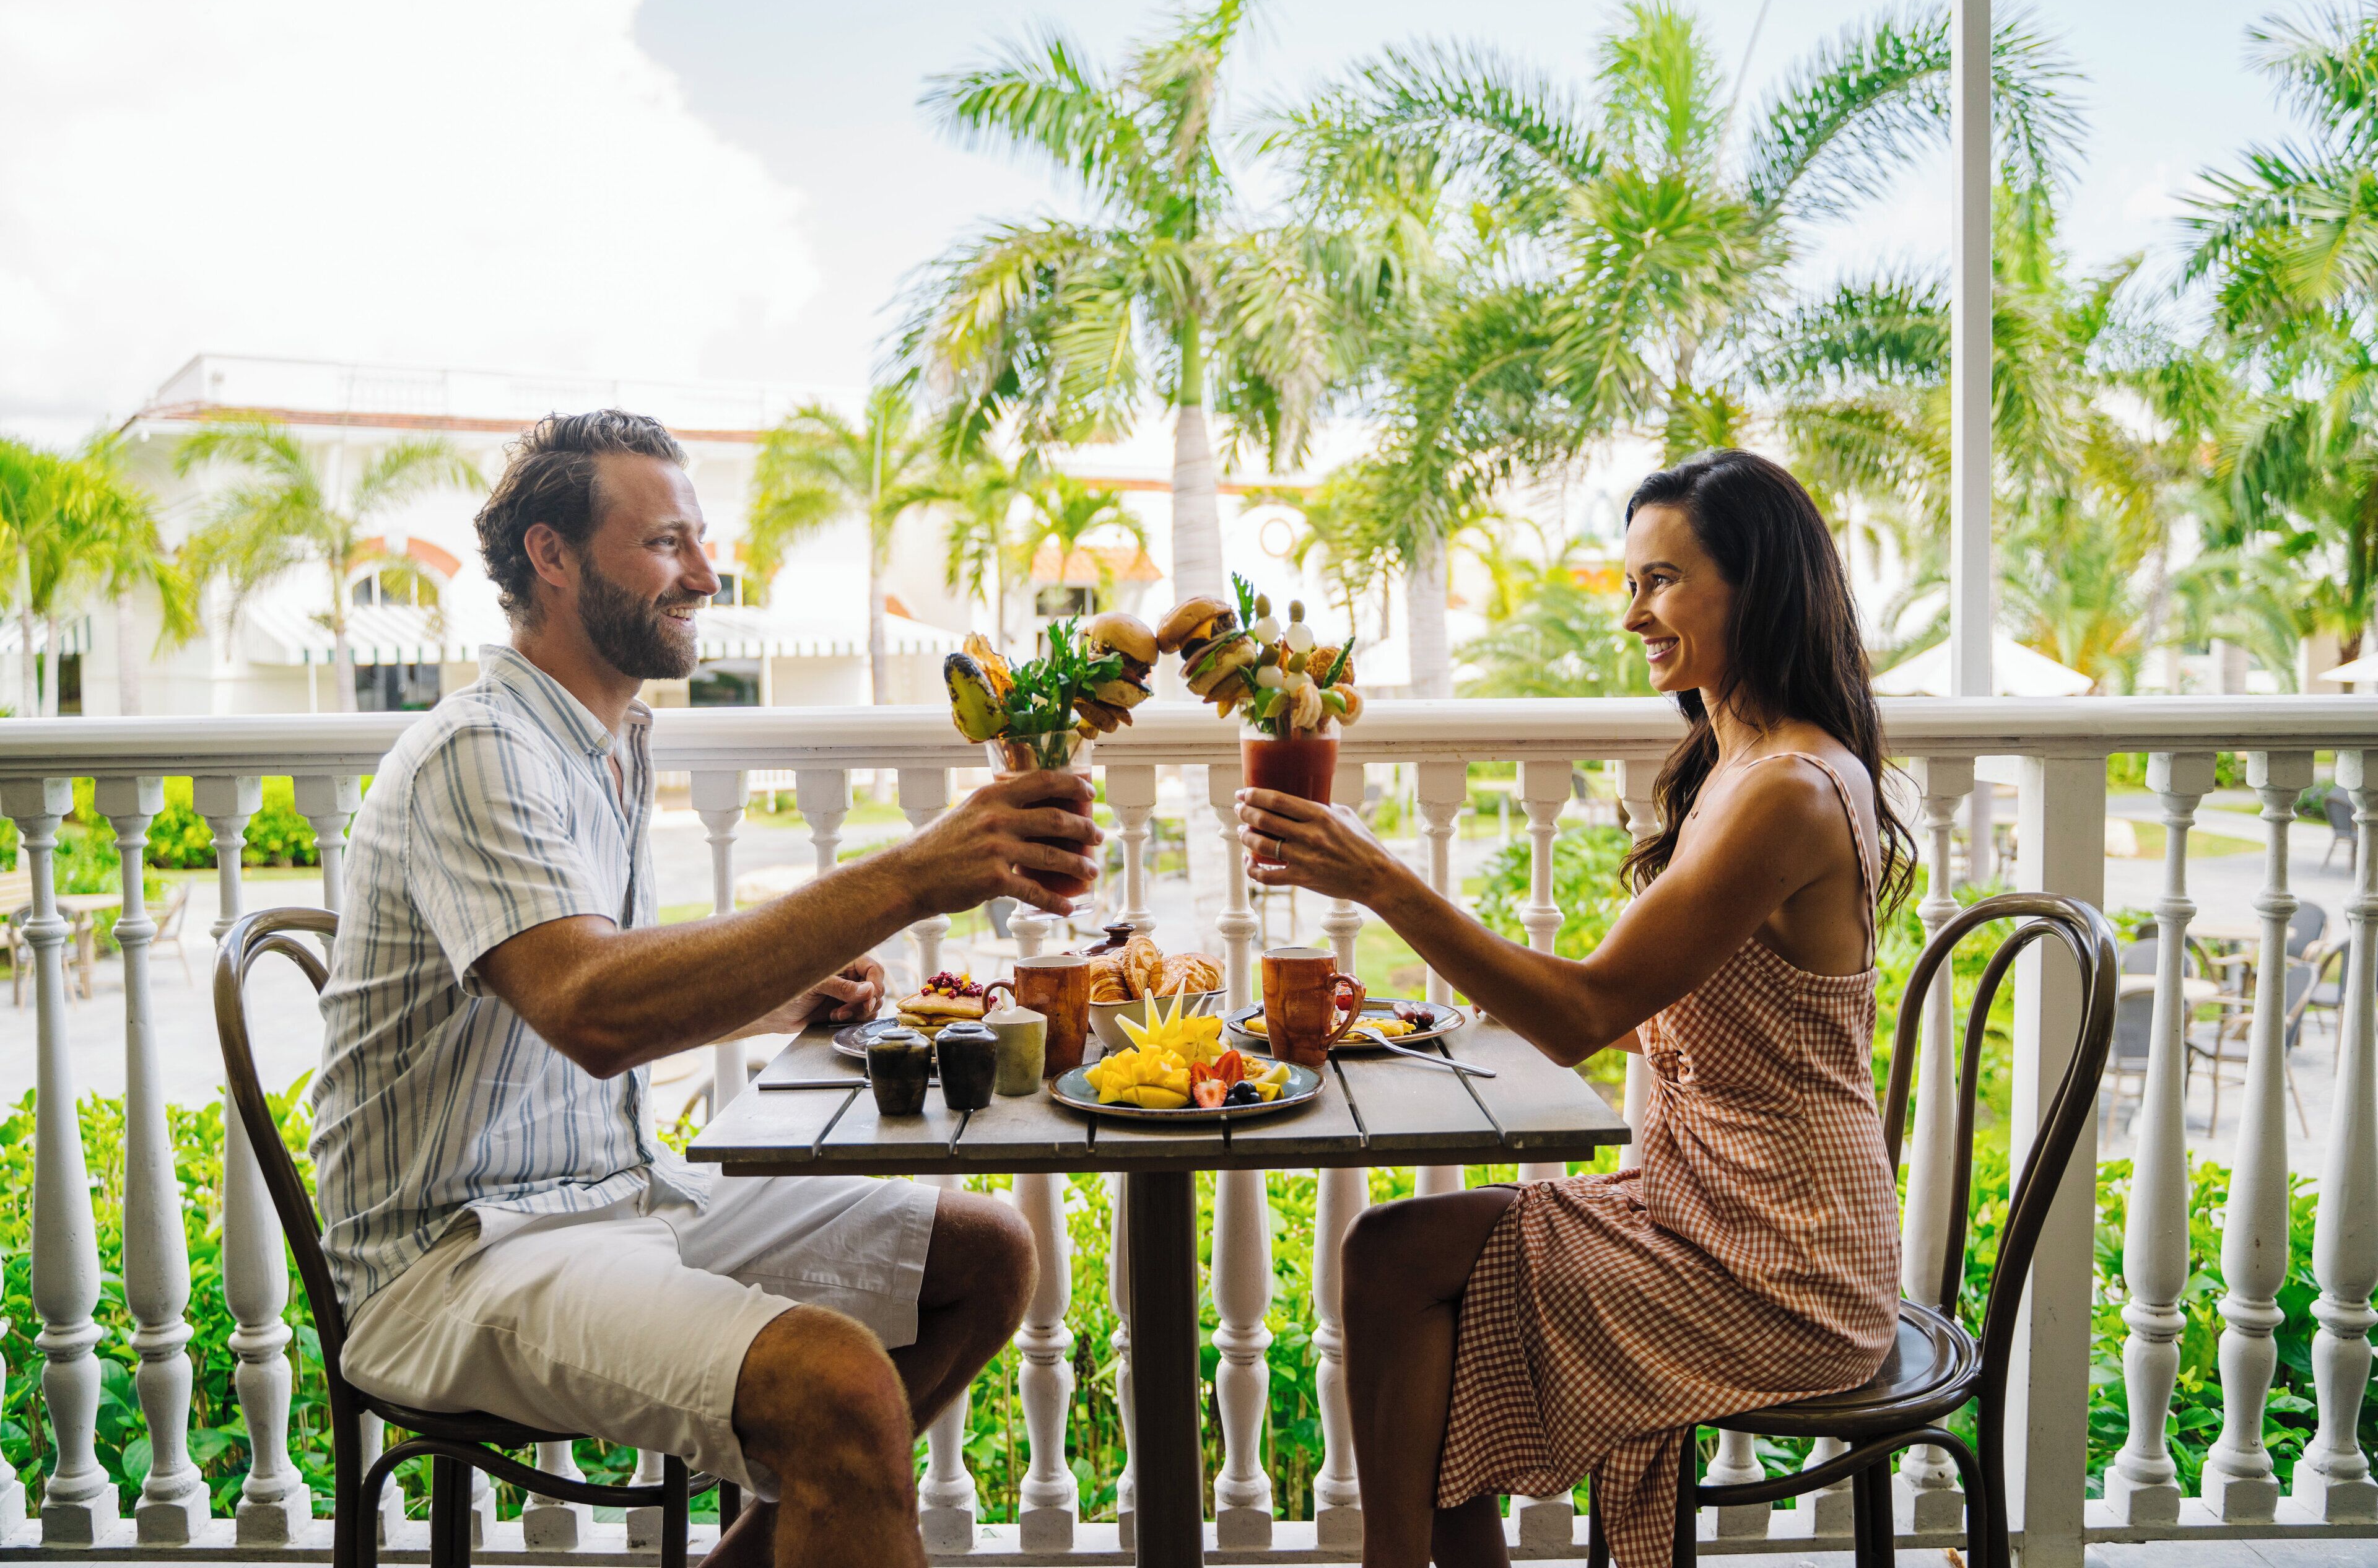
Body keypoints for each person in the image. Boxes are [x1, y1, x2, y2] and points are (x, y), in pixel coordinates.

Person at [314, 410, 1102, 1568]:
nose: (706, 572)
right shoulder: (481, 752)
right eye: (668, 542)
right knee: (839, 1391)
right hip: (458, 1254)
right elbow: (590, 1008)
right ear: (552, 554)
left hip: (617, 1196)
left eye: (701, 540)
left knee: (988, 1258)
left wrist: (781, 1000)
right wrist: (915, 873)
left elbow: (577, 990)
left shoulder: (609, 741)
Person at [1234, 449, 1912, 1568]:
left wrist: (1380, 879)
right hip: (1702, 1210)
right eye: (1631, 580)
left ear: (1760, 588)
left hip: (1785, 1266)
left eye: (1661, 581)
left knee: (1398, 1265)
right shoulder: (1733, 766)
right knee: (1397, 1258)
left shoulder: (1788, 791)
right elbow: (1620, 1004)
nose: (1633, 612)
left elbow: (1584, 1013)